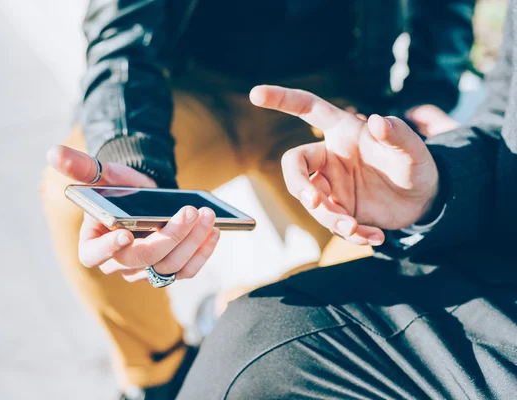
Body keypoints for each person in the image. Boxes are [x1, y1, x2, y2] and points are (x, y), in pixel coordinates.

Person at [40, 0, 475, 398]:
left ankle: (236, 318)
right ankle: (159, 373)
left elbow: (446, 10)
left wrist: (423, 99)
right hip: (190, 82)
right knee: (80, 207)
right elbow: (120, 27)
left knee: (382, 241)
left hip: (328, 97)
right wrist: (131, 155)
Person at [176, 4, 517, 398]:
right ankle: (159, 374)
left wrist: (425, 91)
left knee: (331, 275)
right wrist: (437, 187)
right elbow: (503, 122)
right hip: (195, 82)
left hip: (338, 82)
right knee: (257, 332)